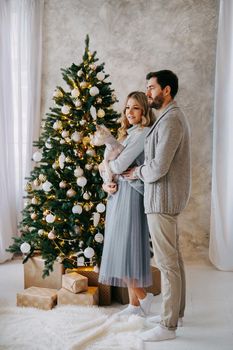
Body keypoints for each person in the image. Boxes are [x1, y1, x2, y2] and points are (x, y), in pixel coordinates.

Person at [123, 70, 191, 341]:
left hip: (162, 199)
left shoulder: (171, 119)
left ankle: (167, 326)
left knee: (167, 264)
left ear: (166, 90)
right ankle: (177, 315)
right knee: (174, 260)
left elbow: (159, 167)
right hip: (162, 198)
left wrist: (137, 172)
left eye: (151, 88)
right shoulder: (166, 118)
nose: (147, 92)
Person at [98, 91, 155, 317]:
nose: (129, 112)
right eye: (127, 108)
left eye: (135, 108)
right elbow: (106, 166)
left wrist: (108, 169)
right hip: (117, 196)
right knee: (122, 250)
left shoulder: (142, 133)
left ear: (144, 112)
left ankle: (143, 296)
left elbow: (119, 165)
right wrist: (106, 183)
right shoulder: (124, 135)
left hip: (130, 197)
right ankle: (134, 306)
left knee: (124, 250)